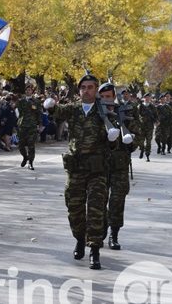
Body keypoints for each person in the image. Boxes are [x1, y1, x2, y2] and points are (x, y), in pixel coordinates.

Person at [43, 72, 119, 270]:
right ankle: (79, 239)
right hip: (76, 168)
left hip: (97, 170)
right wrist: (50, 105)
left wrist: (114, 138)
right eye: (83, 88)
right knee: (74, 208)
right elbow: (57, 112)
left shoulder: (106, 111)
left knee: (95, 210)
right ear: (79, 91)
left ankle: (94, 249)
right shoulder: (74, 109)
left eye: (90, 87)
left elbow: (117, 140)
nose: (87, 91)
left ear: (96, 90)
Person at [98, 84, 139, 251]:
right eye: (103, 96)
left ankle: (113, 235)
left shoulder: (125, 112)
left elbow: (137, 136)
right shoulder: (95, 113)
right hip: (99, 166)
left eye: (109, 96)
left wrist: (131, 140)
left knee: (117, 202)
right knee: (99, 202)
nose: (107, 99)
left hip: (120, 166)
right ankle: (100, 232)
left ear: (114, 96)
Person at [16, 84, 42, 170]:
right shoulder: (21, 101)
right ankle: (25, 157)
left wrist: (40, 124)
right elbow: (19, 111)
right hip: (22, 125)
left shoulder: (36, 101)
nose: (28, 91)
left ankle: (30, 163)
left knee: (31, 145)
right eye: (27, 90)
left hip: (32, 125)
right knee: (21, 145)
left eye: (30, 90)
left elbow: (38, 113)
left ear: (32, 91)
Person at [137, 93, 157, 162]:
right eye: (146, 97)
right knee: (141, 141)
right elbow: (137, 115)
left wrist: (156, 121)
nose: (147, 99)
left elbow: (156, 115)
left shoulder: (152, 107)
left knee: (148, 142)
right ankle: (142, 149)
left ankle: (147, 155)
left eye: (148, 97)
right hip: (142, 126)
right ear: (144, 98)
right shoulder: (140, 106)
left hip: (150, 127)